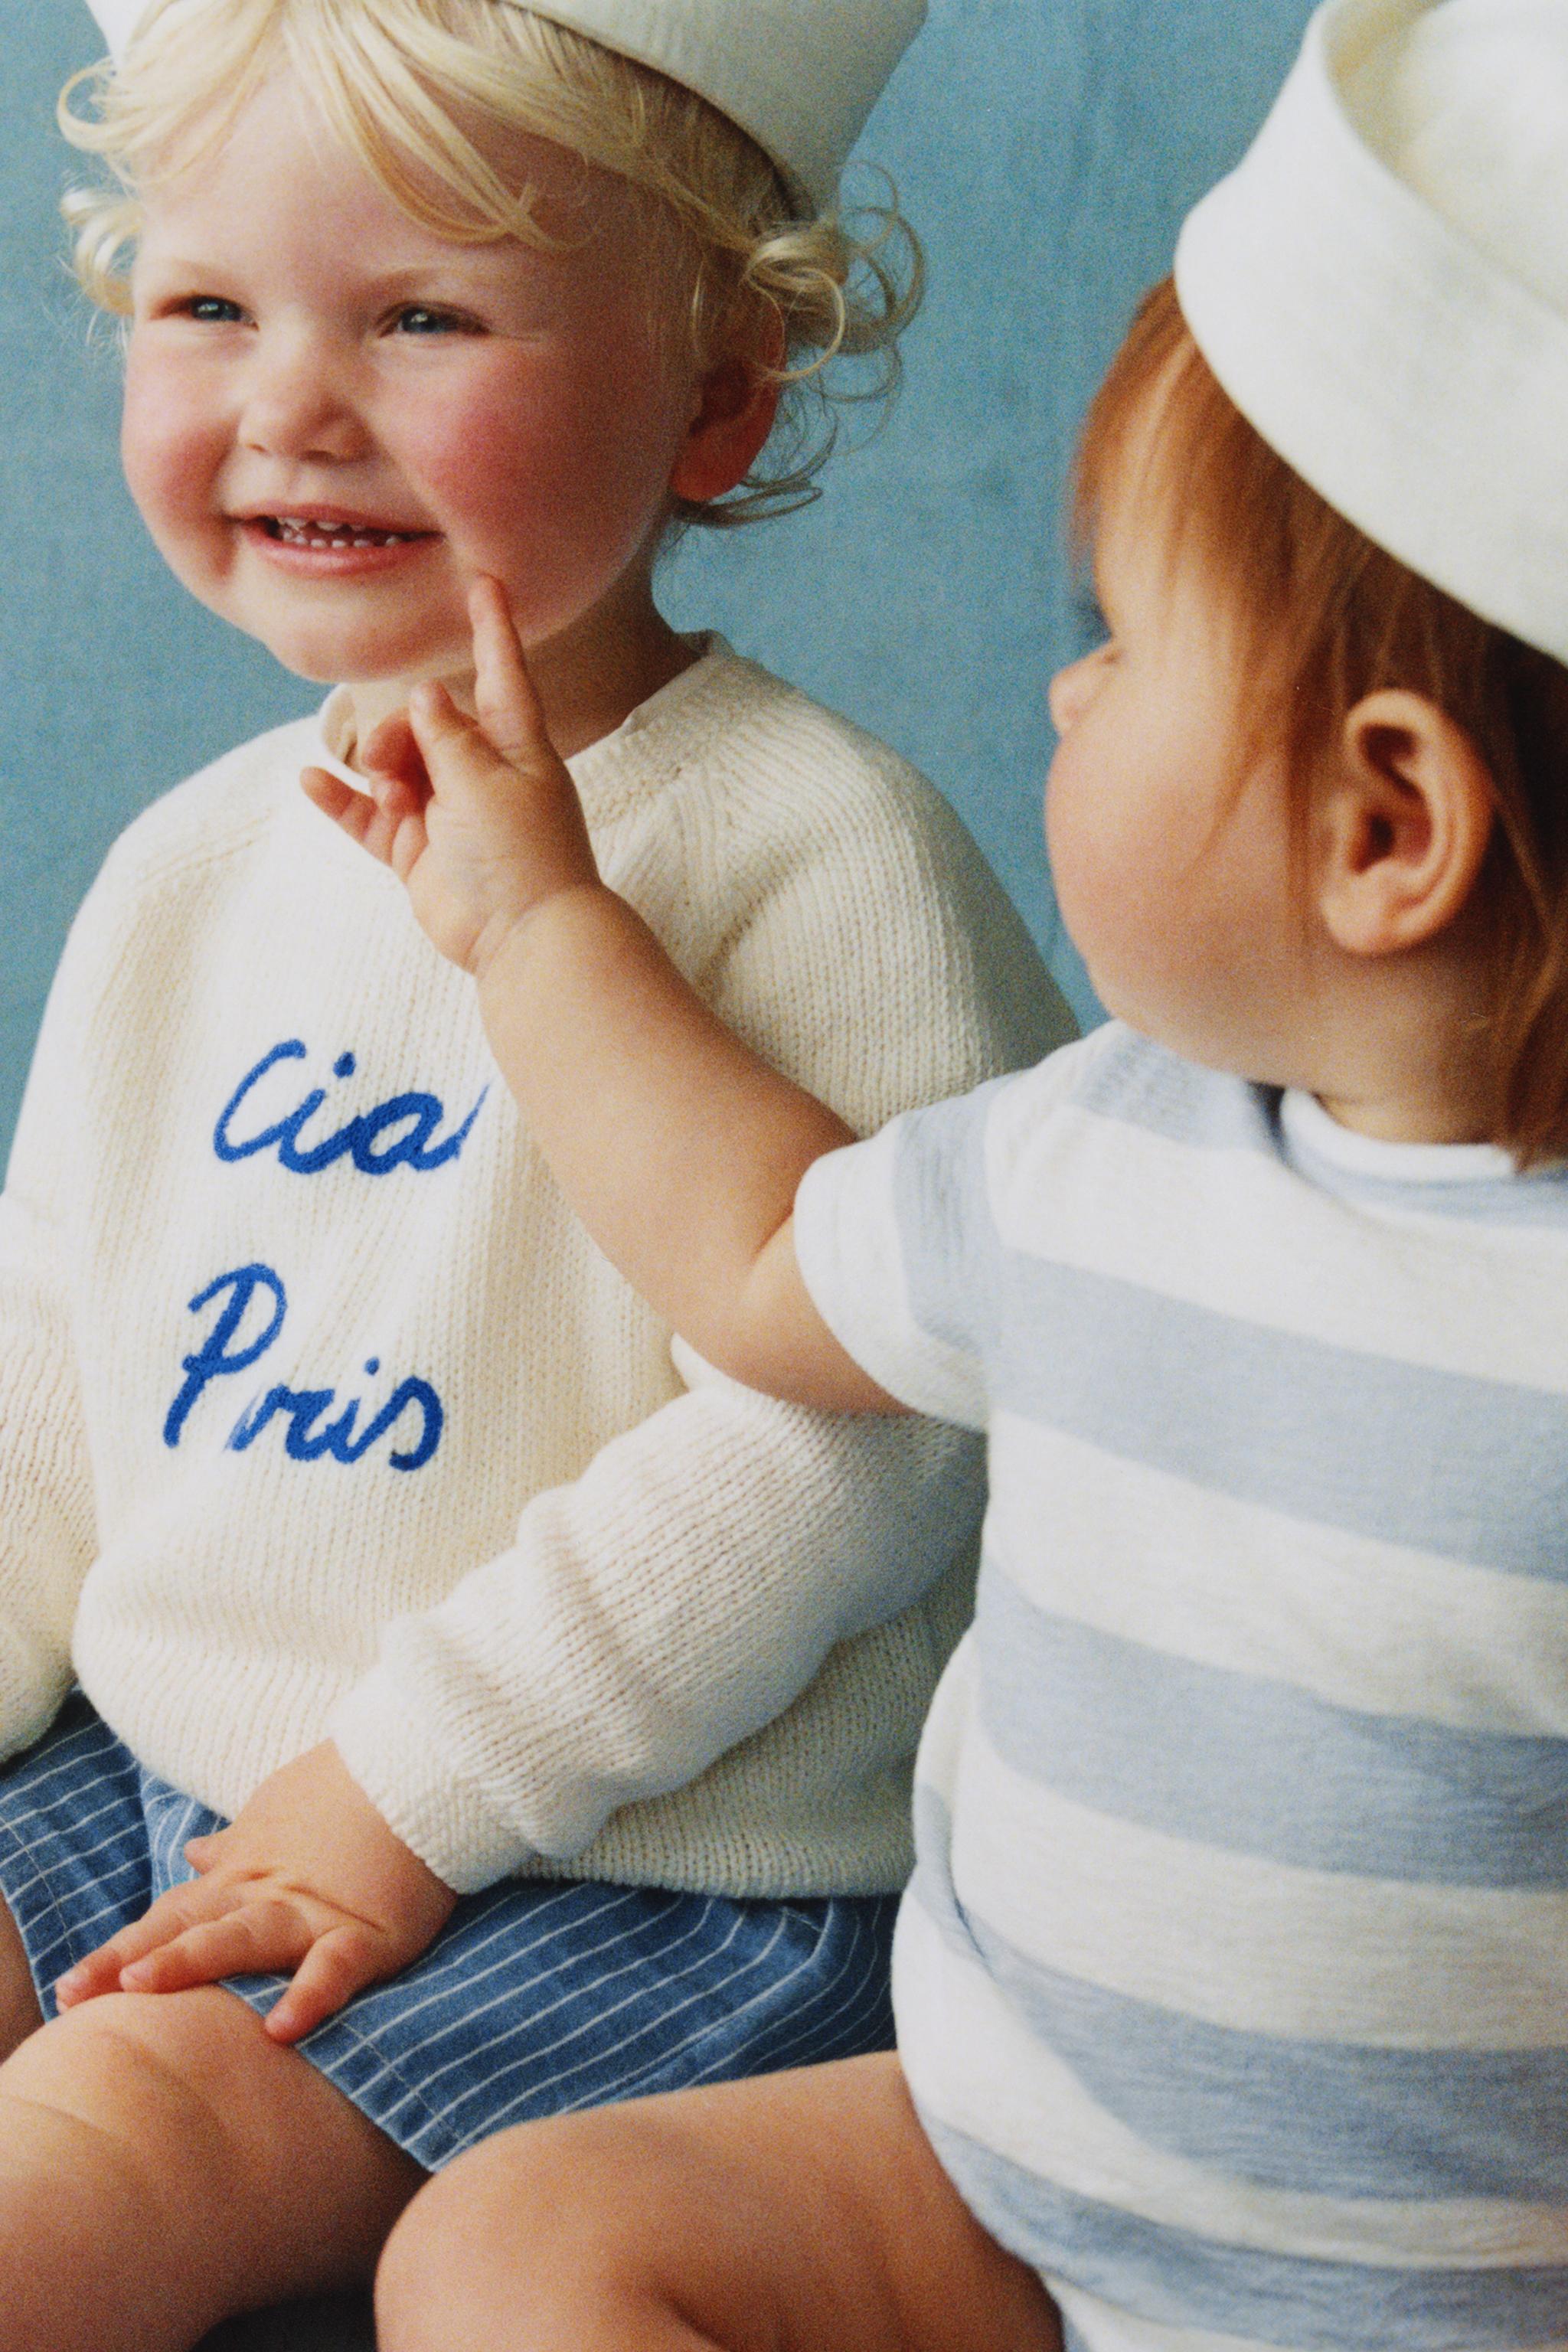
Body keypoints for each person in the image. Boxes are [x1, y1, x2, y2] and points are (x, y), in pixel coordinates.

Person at [296, 0, 1568, 2347]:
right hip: (991, 2171)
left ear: (1383, 828)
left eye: (1122, 641)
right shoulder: (1110, 1148)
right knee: (506, 2251)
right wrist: (542, 921)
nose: (1063, 698)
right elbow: (769, 1254)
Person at [0, 0, 1071, 2340]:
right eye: (207, 306)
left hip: (623, 1852)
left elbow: (847, 1441)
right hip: (172, 1758)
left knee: (84, 2168)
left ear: (713, 397)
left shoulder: (816, 856)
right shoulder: (192, 868)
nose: (290, 400)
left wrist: (405, 1789)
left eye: (420, 314)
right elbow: (55, 1376)